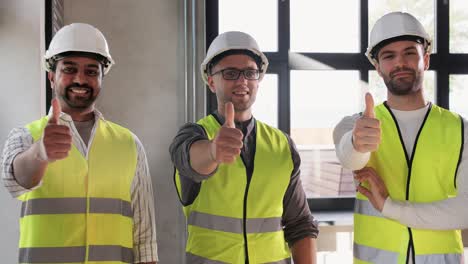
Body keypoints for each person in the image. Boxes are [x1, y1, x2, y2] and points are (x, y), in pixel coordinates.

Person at [1, 23, 158, 264]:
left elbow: (144, 236)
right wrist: (39, 153)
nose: (80, 79)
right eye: (69, 69)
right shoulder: (26, 136)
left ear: (102, 77)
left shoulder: (129, 144)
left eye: (91, 71)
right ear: (52, 77)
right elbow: (15, 181)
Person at [170, 31, 318, 264]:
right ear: (211, 81)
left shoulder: (282, 144)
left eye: (250, 72)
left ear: (259, 79)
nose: (242, 81)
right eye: (230, 73)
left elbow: (300, 224)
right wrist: (212, 151)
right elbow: (191, 161)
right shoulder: (194, 135)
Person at [334, 12, 468, 263]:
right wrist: (357, 143)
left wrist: (390, 207)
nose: (400, 63)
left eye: (409, 53)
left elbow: (466, 210)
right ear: (377, 66)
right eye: (388, 56)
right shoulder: (355, 125)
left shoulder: (461, 130)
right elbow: (349, 157)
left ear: (425, 59)